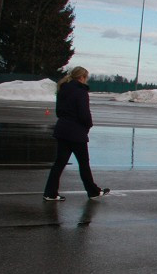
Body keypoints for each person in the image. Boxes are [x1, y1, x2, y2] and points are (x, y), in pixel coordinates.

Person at [43, 66, 110, 200]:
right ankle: (93, 191)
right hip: (76, 133)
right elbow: (84, 114)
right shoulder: (81, 91)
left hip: (62, 130)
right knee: (84, 164)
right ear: (82, 78)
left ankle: (50, 193)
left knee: (59, 163)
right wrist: (88, 125)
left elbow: (58, 112)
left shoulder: (62, 89)